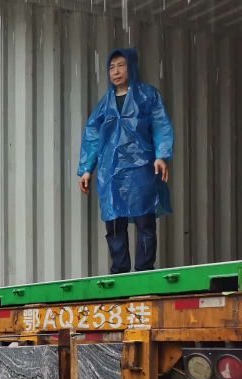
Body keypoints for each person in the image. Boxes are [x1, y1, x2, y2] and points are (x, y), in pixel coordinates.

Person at [77, 48, 174, 274]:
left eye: (121, 65)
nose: (116, 71)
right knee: (114, 223)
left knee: (145, 221)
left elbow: (160, 124)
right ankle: (119, 271)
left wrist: (161, 155)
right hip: (110, 172)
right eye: (111, 67)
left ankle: (144, 269)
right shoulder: (105, 103)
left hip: (140, 168)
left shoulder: (147, 96)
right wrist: (86, 169)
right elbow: (92, 135)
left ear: (131, 67)